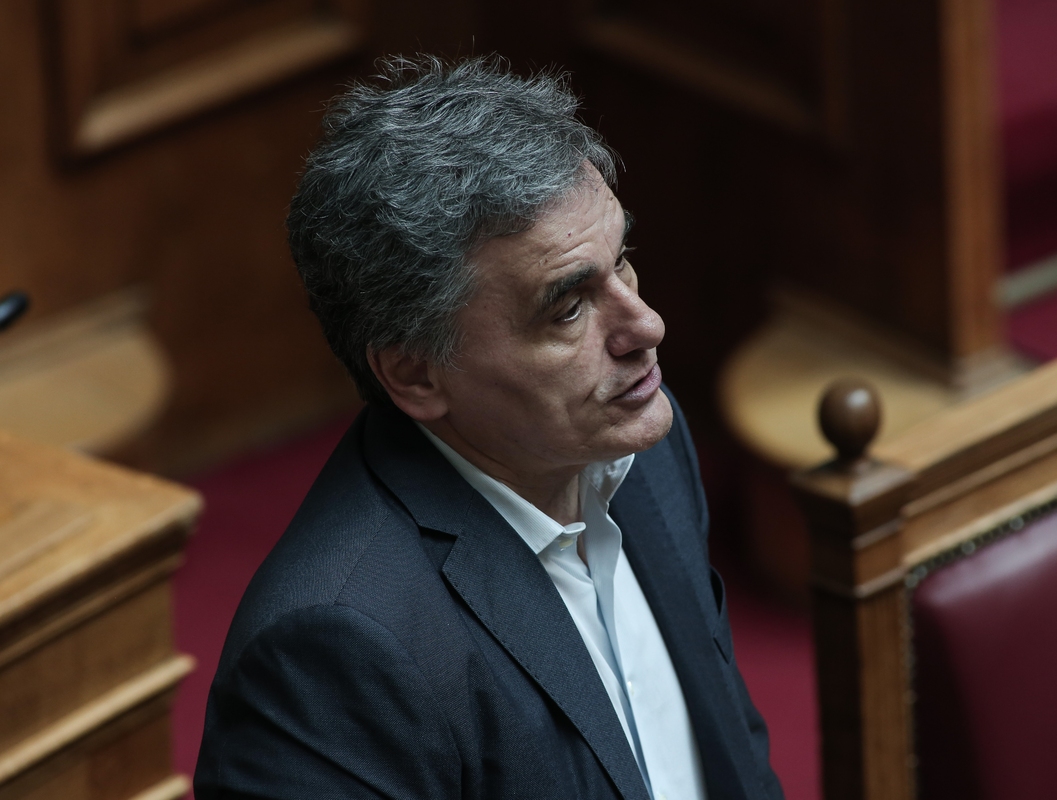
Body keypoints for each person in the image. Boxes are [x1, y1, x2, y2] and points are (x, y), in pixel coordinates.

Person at [194, 56, 783, 800]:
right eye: (568, 309)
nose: (646, 326)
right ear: (415, 374)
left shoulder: (638, 444)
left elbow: (727, 753)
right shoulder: (333, 654)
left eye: (623, 261)